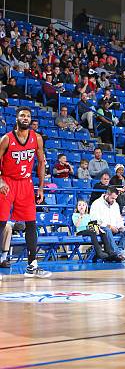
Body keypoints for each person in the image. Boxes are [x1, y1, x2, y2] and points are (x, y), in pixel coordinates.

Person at [0, 106, 51, 277]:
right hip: (7, 182)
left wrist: (41, 187)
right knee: (1, 222)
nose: (25, 118)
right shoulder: (6, 139)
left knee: (31, 222)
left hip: (26, 183)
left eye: (28, 116)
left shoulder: (37, 139)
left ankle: (32, 265)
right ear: (16, 118)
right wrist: (0, 181)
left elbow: (41, 163)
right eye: (22, 115)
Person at [89, 187, 125, 260]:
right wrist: (109, 226)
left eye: (115, 198)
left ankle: (120, 251)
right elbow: (95, 220)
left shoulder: (115, 204)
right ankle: (117, 253)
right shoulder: (96, 204)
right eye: (112, 198)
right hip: (102, 229)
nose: (114, 200)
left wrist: (120, 227)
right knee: (107, 230)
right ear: (107, 195)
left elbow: (118, 219)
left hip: (115, 229)